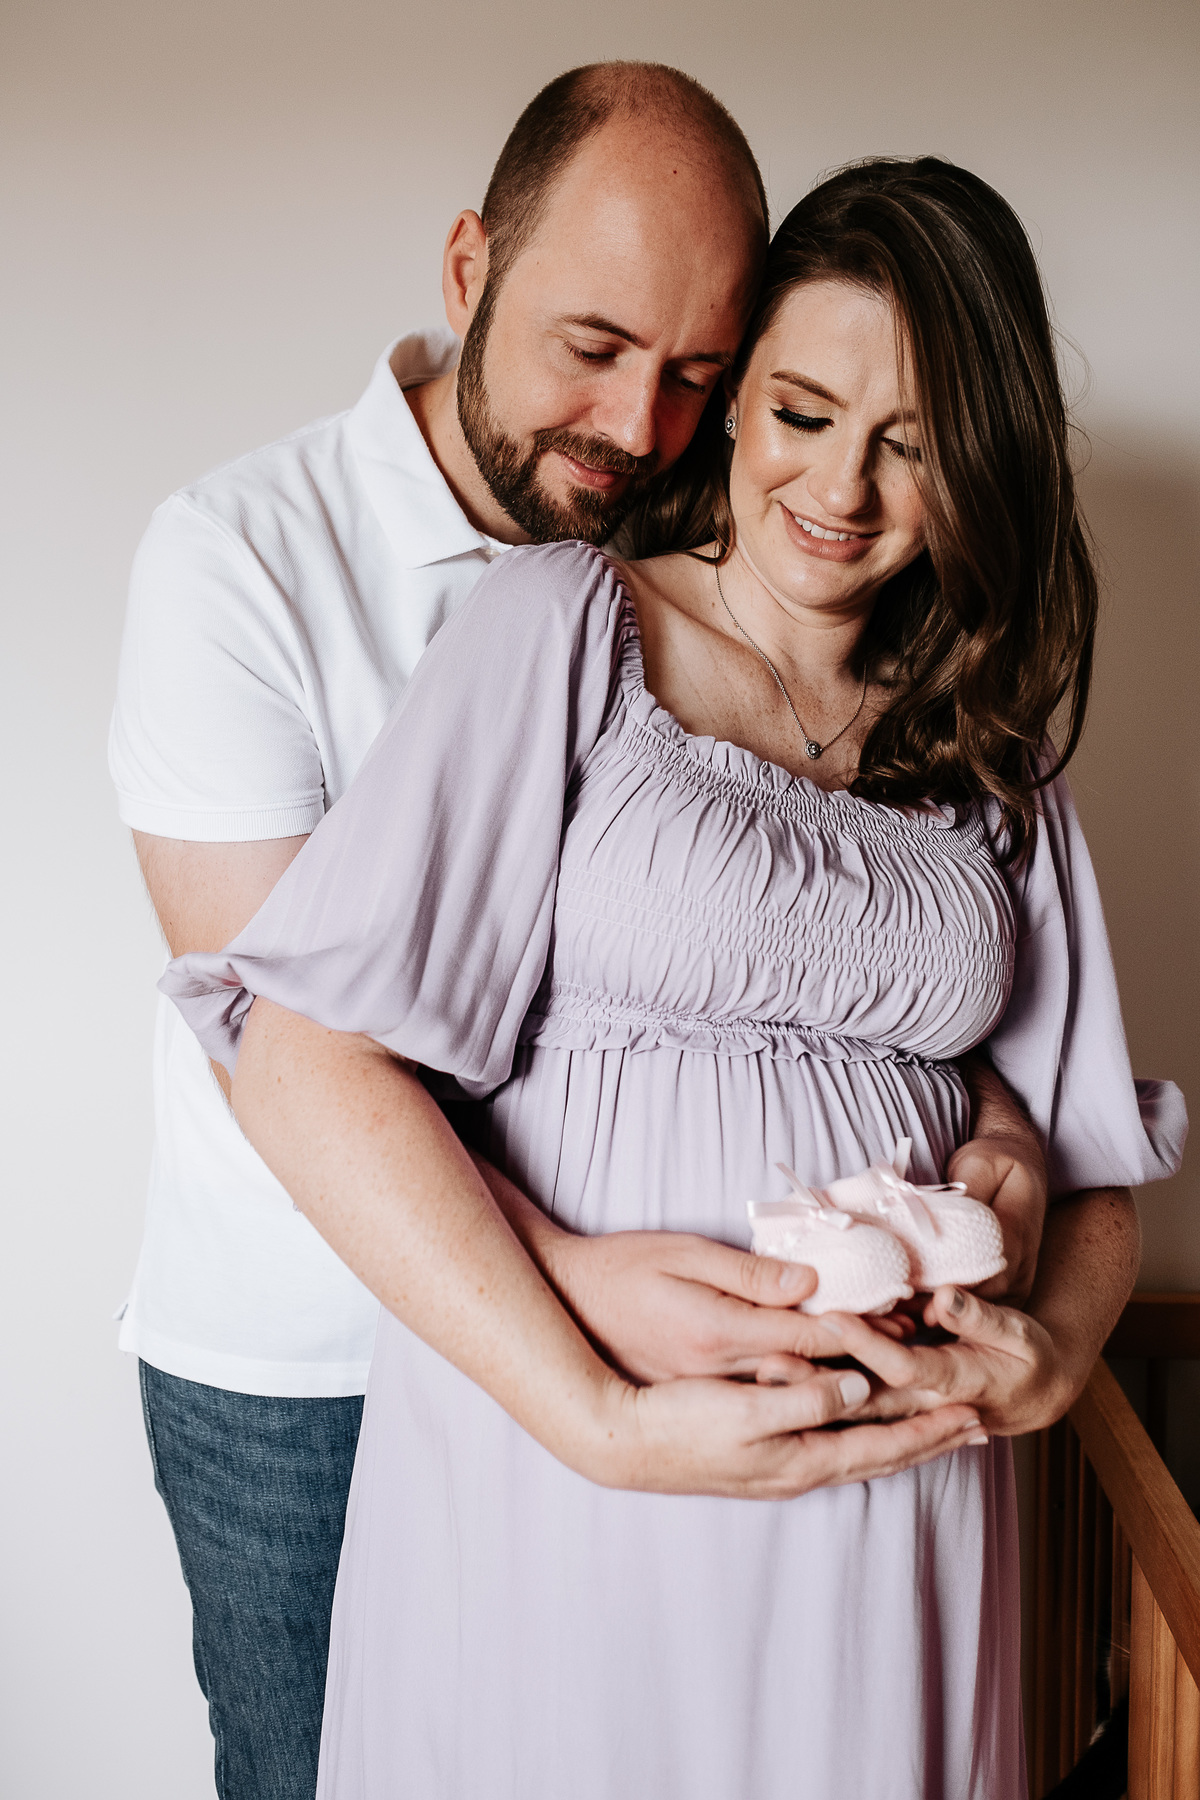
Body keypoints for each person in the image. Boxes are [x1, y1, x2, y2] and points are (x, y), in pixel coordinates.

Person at [164, 157, 1184, 1797]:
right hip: (580, 1468)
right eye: (802, 412)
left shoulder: (991, 753)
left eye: (911, 444)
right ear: (730, 402)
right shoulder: (566, 631)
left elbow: (1096, 1175)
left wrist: (1052, 1356)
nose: (839, 488)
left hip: (901, 1513)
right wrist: (602, 1417)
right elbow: (304, 1062)